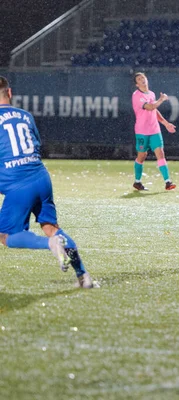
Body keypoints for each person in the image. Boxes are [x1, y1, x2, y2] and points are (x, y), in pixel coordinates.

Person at [0, 76, 95, 288]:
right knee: (52, 227)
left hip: (18, 184)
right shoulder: (25, 116)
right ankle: (84, 276)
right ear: (10, 92)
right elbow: (36, 145)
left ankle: (50, 244)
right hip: (40, 177)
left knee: (6, 236)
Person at [131, 72, 176, 191]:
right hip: (142, 131)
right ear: (137, 84)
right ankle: (137, 181)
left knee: (160, 154)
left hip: (154, 130)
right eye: (139, 79)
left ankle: (168, 182)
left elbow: (154, 110)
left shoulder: (151, 94)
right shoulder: (136, 95)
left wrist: (166, 123)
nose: (142, 80)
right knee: (142, 155)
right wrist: (161, 100)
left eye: (143, 77)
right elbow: (150, 107)